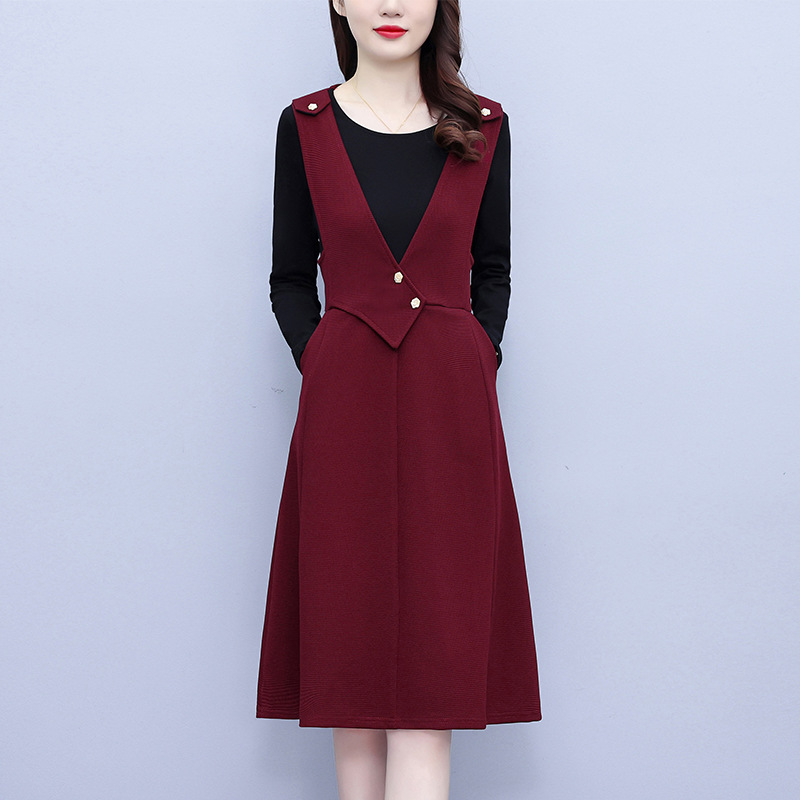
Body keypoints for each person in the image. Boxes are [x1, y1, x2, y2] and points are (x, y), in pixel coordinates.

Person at [256, 1, 542, 797]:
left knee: (434, 675)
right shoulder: (305, 126)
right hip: (341, 413)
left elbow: (493, 271)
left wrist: (475, 353)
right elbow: (288, 277)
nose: (391, 4)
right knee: (348, 669)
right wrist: (321, 357)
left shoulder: (482, 126)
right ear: (338, 1)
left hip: (450, 415)